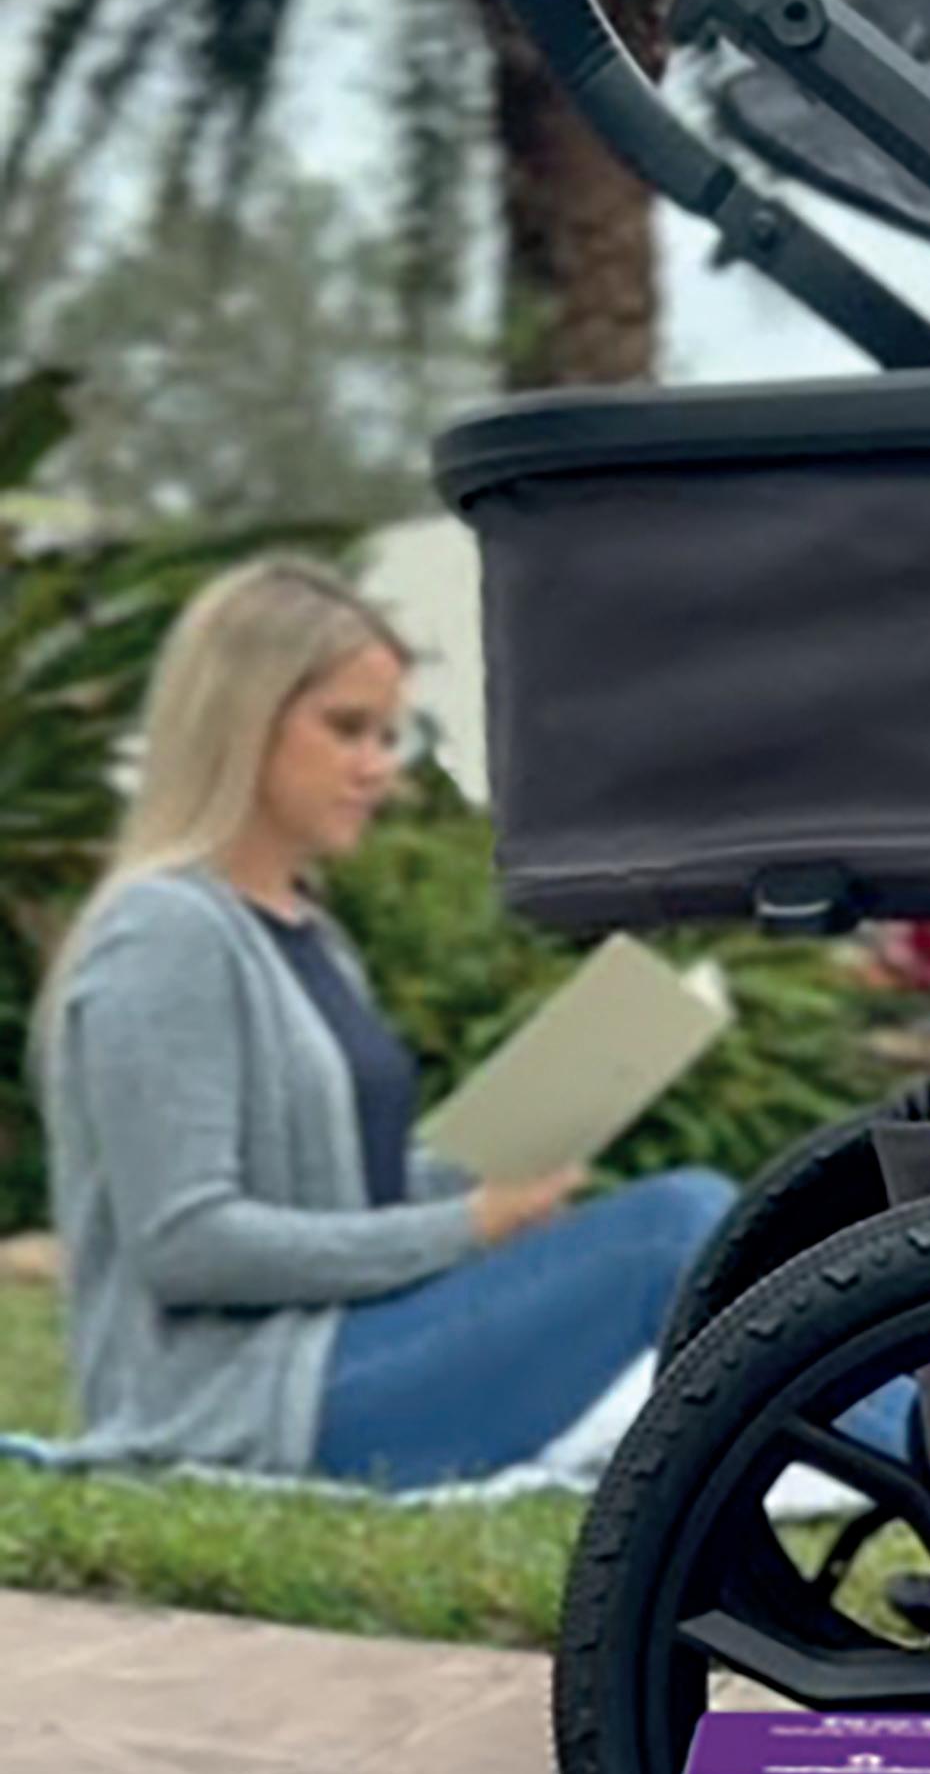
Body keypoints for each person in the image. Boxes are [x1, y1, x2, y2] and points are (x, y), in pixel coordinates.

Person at [32, 554, 751, 1491]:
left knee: (681, 1218)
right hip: (247, 1404)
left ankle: (923, 1452)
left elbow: (342, 1200)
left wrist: (499, 1165)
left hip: (350, 1352)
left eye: (388, 735)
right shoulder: (163, 933)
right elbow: (189, 1245)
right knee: (675, 1225)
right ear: (241, 720)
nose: (377, 768)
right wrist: (466, 1225)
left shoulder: (312, 935)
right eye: (346, 729)